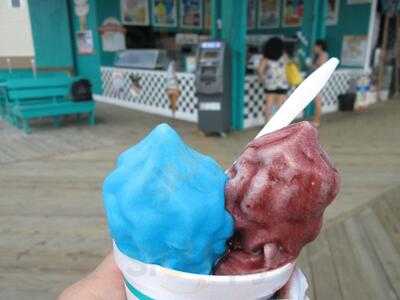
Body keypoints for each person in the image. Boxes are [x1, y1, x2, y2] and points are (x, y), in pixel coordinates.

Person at [257, 37, 289, 121]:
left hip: (270, 84)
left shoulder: (266, 58)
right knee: (280, 106)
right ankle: (280, 125)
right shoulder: (284, 56)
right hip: (282, 83)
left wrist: (263, 78)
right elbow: (288, 65)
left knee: (269, 105)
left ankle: (268, 126)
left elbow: (260, 70)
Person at [311, 39, 329, 127]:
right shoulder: (318, 55)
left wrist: (313, 65)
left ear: (319, 47)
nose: (314, 48)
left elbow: (321, 67)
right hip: (317, 80)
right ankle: (316, 120)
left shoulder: (323, 55)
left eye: (315, 46)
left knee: (317, 101)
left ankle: (317, 121)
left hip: (318, 81)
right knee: (317, 101)